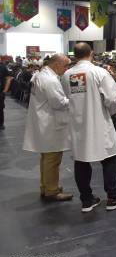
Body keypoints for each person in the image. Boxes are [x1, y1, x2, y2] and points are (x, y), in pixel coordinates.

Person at [61, 43, 116, 213]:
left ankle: (87, 200)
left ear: (74, 55)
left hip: (78, 123)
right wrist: (110, 112)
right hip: (98, 121)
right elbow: (112, 98)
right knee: (109, 159)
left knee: (81, 161)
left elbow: (68, 97)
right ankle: (113, 198)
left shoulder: (67, 74)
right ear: (91, 53)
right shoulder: (99, 72)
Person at [22, 54, 73, 202]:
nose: (66, 69)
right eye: (65, 66)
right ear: (56, 64)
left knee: (46, 157)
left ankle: (46, 186)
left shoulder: (41, 75)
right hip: (50, 123)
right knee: (52, 158)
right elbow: (58, 103)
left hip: (44, 122)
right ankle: (52, 190)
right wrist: (73, 100)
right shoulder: (50, 80)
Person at [0, 58, 13, 130]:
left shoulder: (3, 67)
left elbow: (9, 78)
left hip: (0, 91)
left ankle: (1, 123)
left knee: (0, 108)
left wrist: (5, 90)